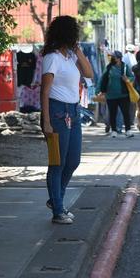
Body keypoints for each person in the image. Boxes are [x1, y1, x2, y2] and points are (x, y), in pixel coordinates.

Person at [40, 16, 94, 225]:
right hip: (57, 111)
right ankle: (58, 209)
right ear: (67, 34)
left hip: (74, 110)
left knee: (73, 161)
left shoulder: (70, 57)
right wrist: (46, 121)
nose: (77, 36)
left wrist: (78, 51)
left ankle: (56, 200)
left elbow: (89, 73)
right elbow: (44, 91)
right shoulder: (51, 57)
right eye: (74, 33)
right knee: (57, 163)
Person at [98, 50, 135, 138]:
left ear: (119, 58)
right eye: (112, 57)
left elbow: (132, 77)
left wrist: (127, 79)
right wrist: (99, 91)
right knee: (112, 113)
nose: (112, 59)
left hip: (123, 94)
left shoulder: (125, 67)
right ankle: (114, 130)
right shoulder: (108, 67)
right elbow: (102, 79)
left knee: (125, 113)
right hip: (111, 95)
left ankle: (128, 130)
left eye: (114, 57)